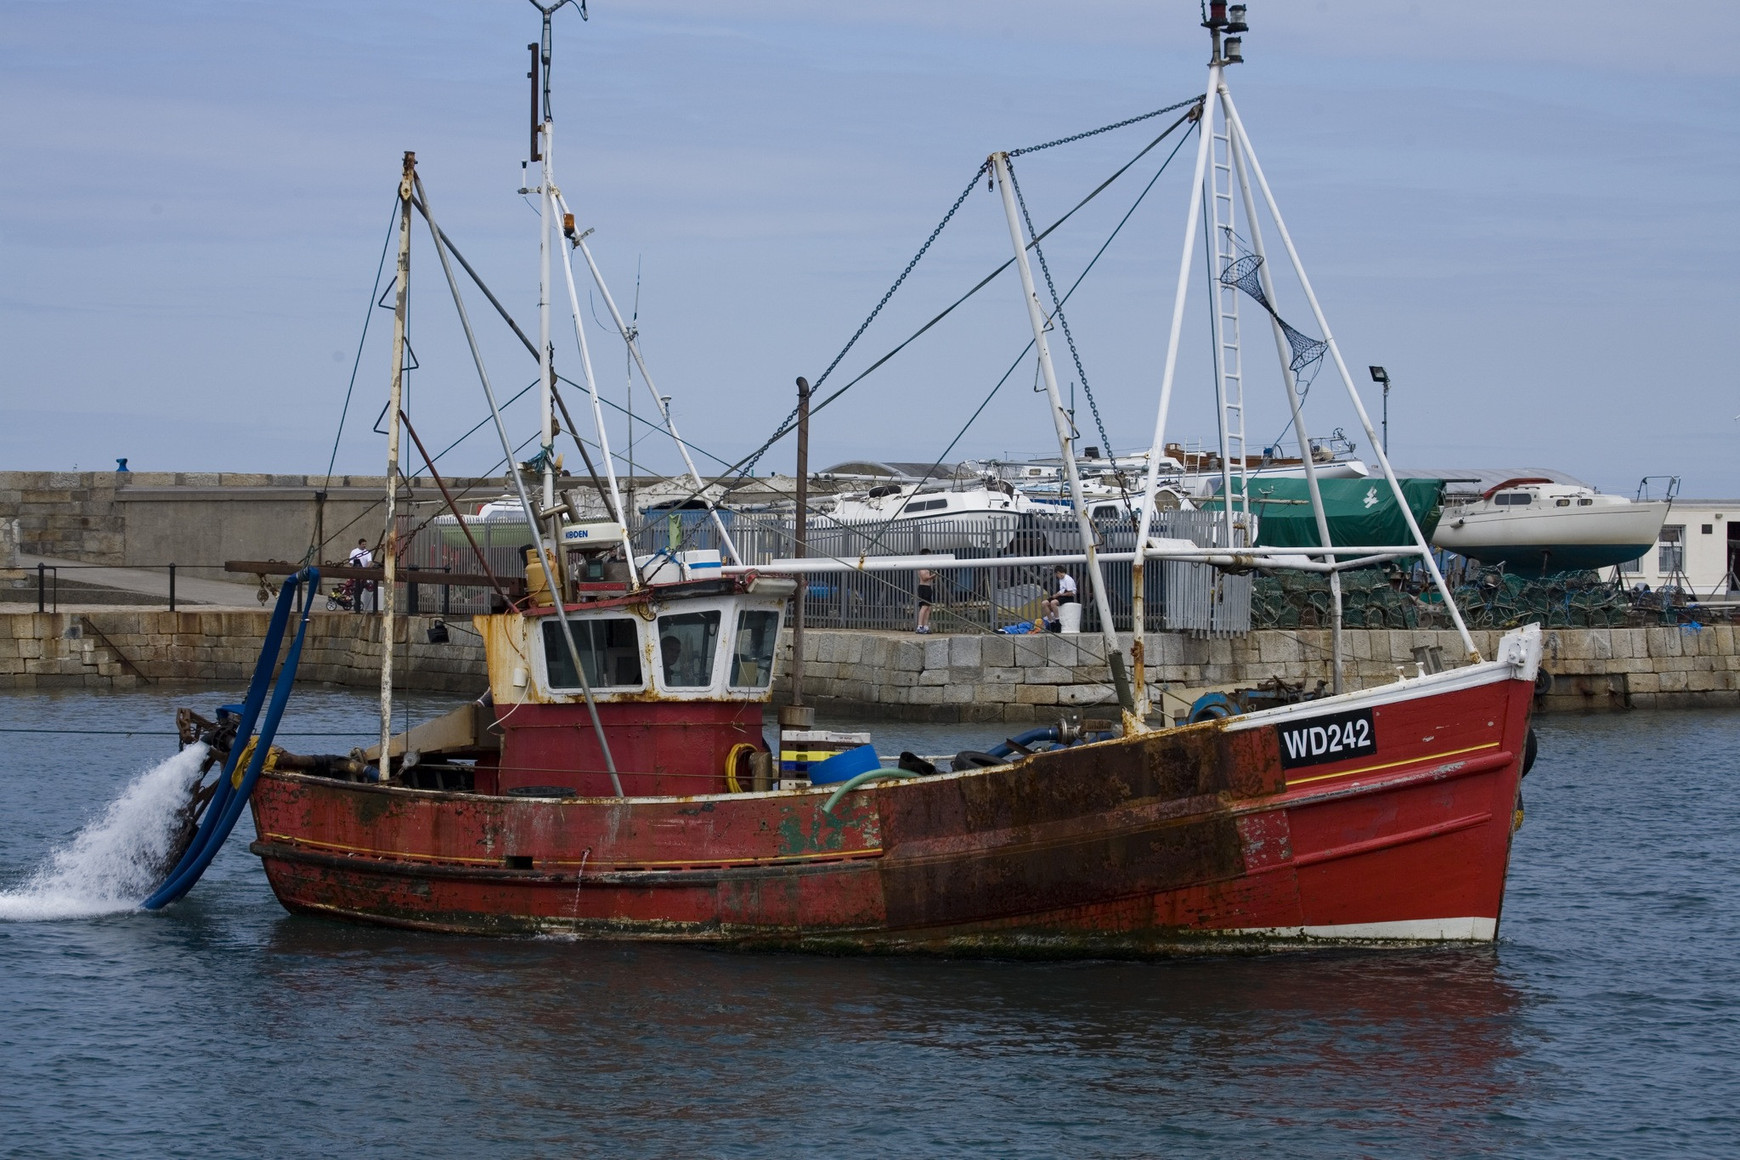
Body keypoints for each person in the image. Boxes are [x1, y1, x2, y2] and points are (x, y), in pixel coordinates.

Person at [348, 539, 374, 613]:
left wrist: (366, 569)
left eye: (365, 544)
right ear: (359, 544)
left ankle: (358, 605)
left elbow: (369, 561)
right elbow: (351, 562)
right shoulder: (354, 552)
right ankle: (357, 605)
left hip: (364, 574)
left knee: (360, 589)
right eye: (363, 544)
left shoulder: (367, 552)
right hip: (356, 573)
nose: (364, 546)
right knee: (356, 589)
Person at [915, 548, 936, 634]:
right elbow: (924, 578)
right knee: (924, 607)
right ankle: (920, 626)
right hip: (923, 587)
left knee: (928, 607)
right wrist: (933, 576)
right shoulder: (922, 566)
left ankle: (925, 626)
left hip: (928, 587)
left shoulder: (928, 566)